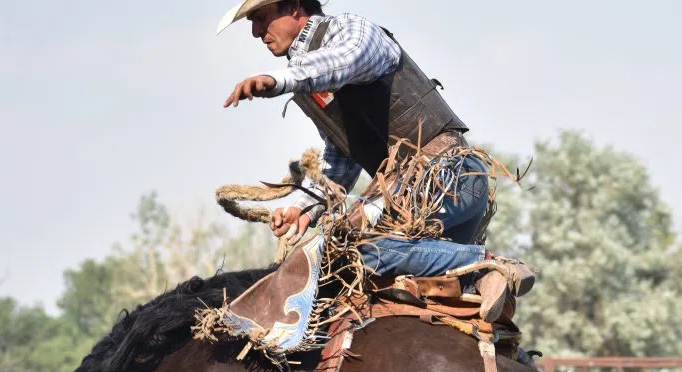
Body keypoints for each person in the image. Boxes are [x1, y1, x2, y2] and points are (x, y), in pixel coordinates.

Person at [217, 0, 534, 326]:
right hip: (421, 196)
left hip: (446, 175)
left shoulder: (350, 31)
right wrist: (304, 207)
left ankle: (488, 266)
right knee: (396, 302)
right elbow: (341, 155)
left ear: (294, 7)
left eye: (260, 18)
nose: (256, 33)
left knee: (347, 249)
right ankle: (481, 301)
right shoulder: (308, 80)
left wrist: (279, 79)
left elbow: (346, 60)